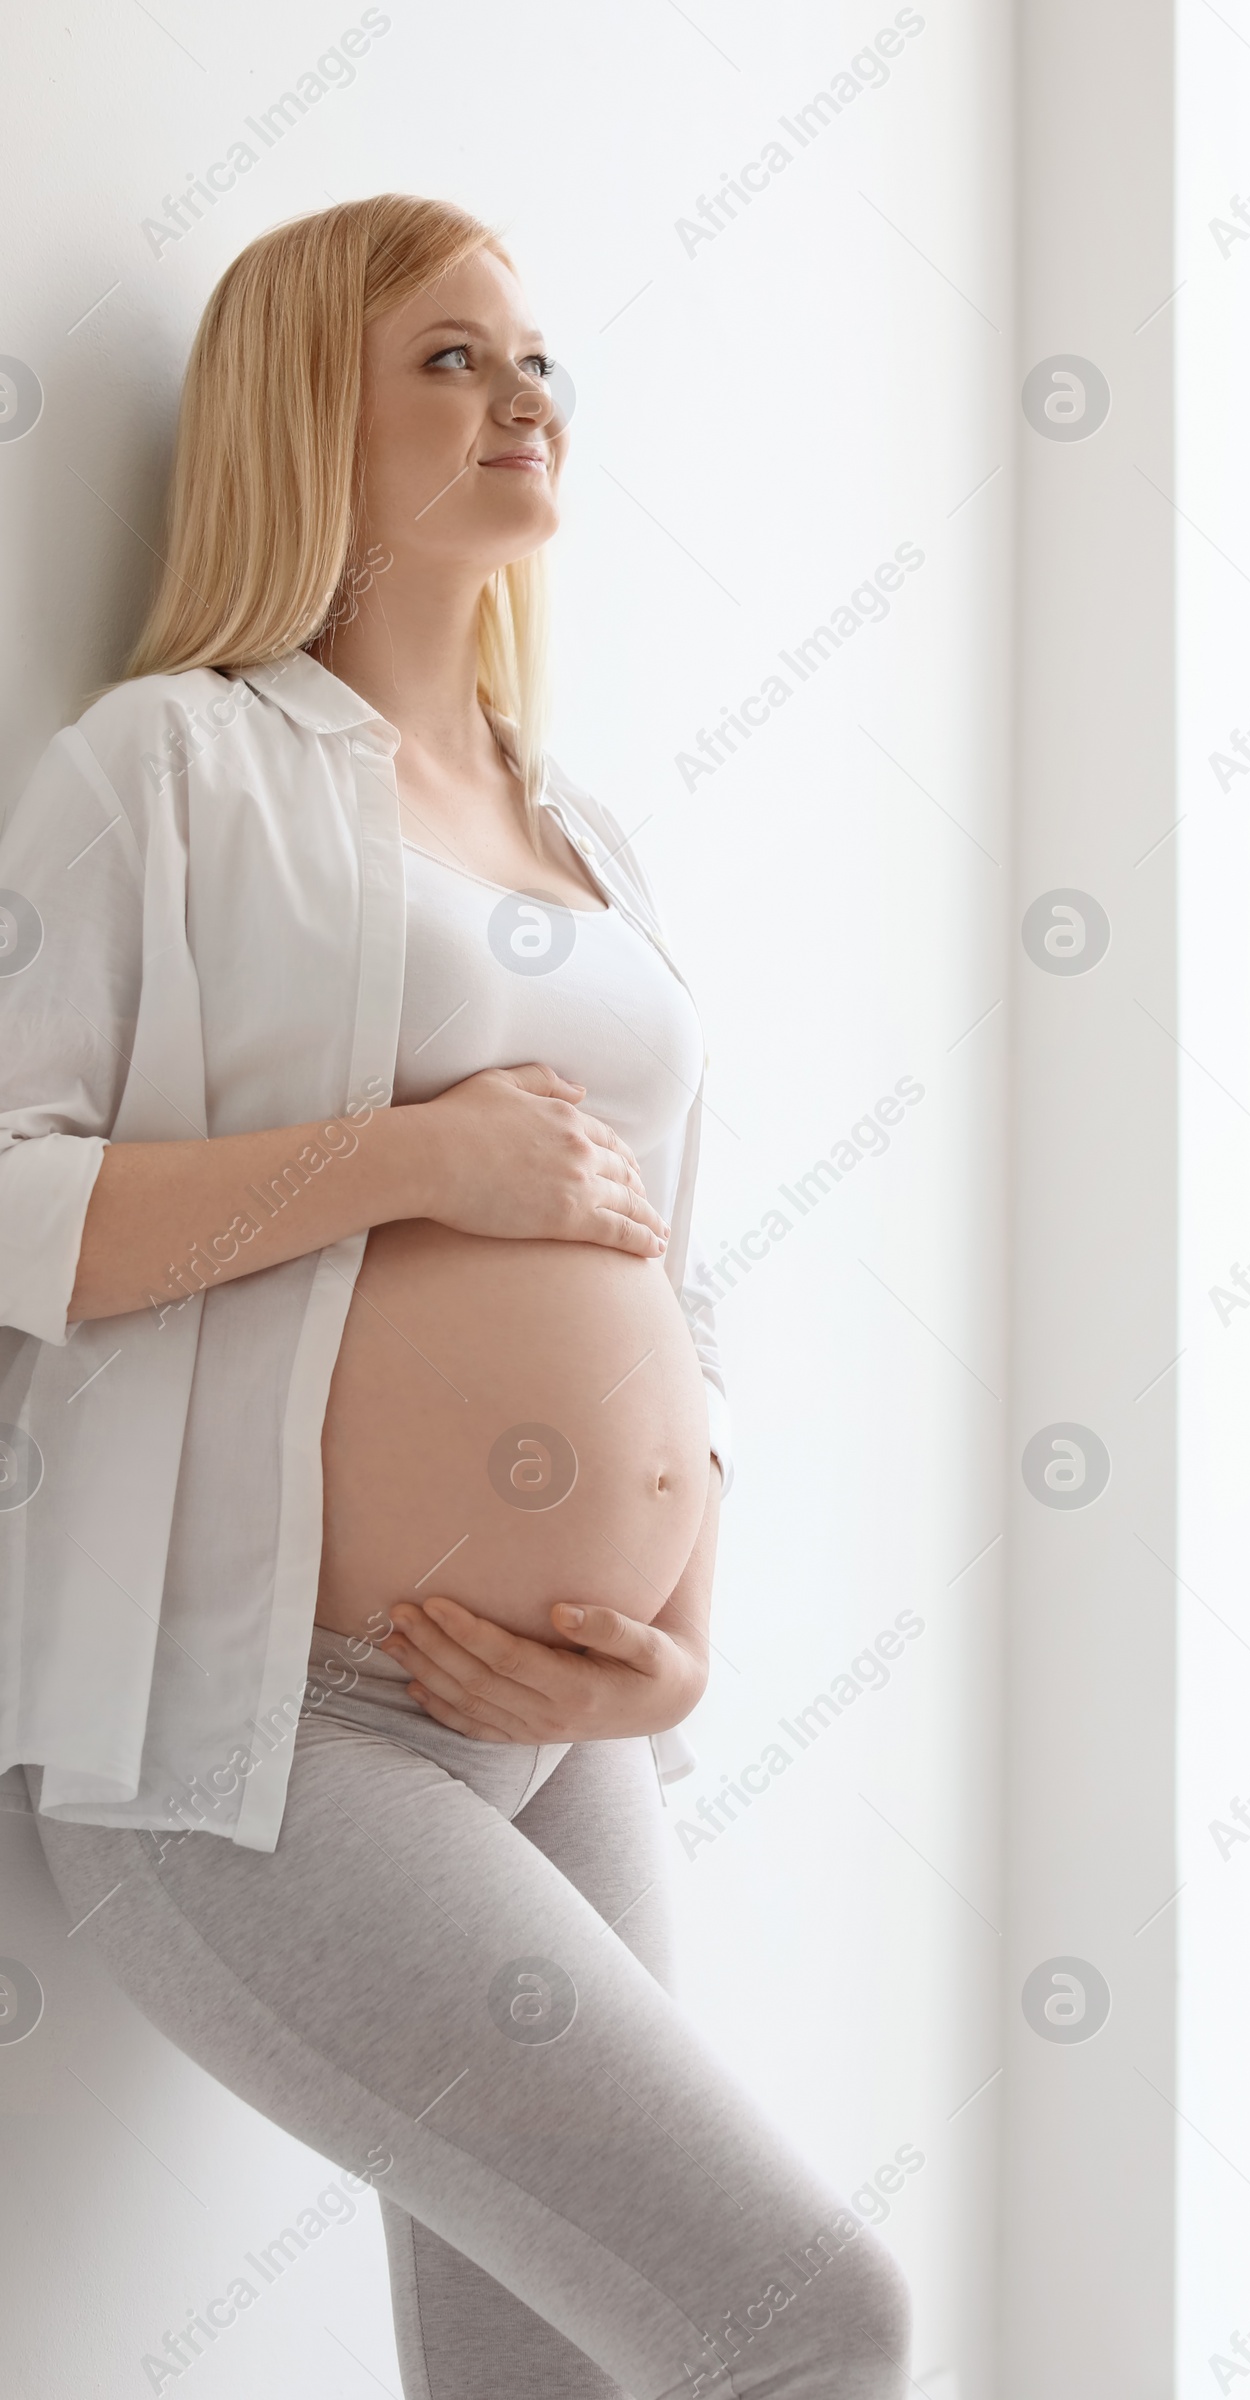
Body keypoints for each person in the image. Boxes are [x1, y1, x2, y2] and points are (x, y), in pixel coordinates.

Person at [0, 193, 912, 2399]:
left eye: (537, 362)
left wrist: (676, 1642)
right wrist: (409, 1159)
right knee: (804, 2322)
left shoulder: (579, 833)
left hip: (563, 1731)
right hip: (266, 1734)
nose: (524, 397)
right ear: (306, 412)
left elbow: (669, 1303)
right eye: (450, 356)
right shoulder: (174, 766)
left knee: (558, 2380)